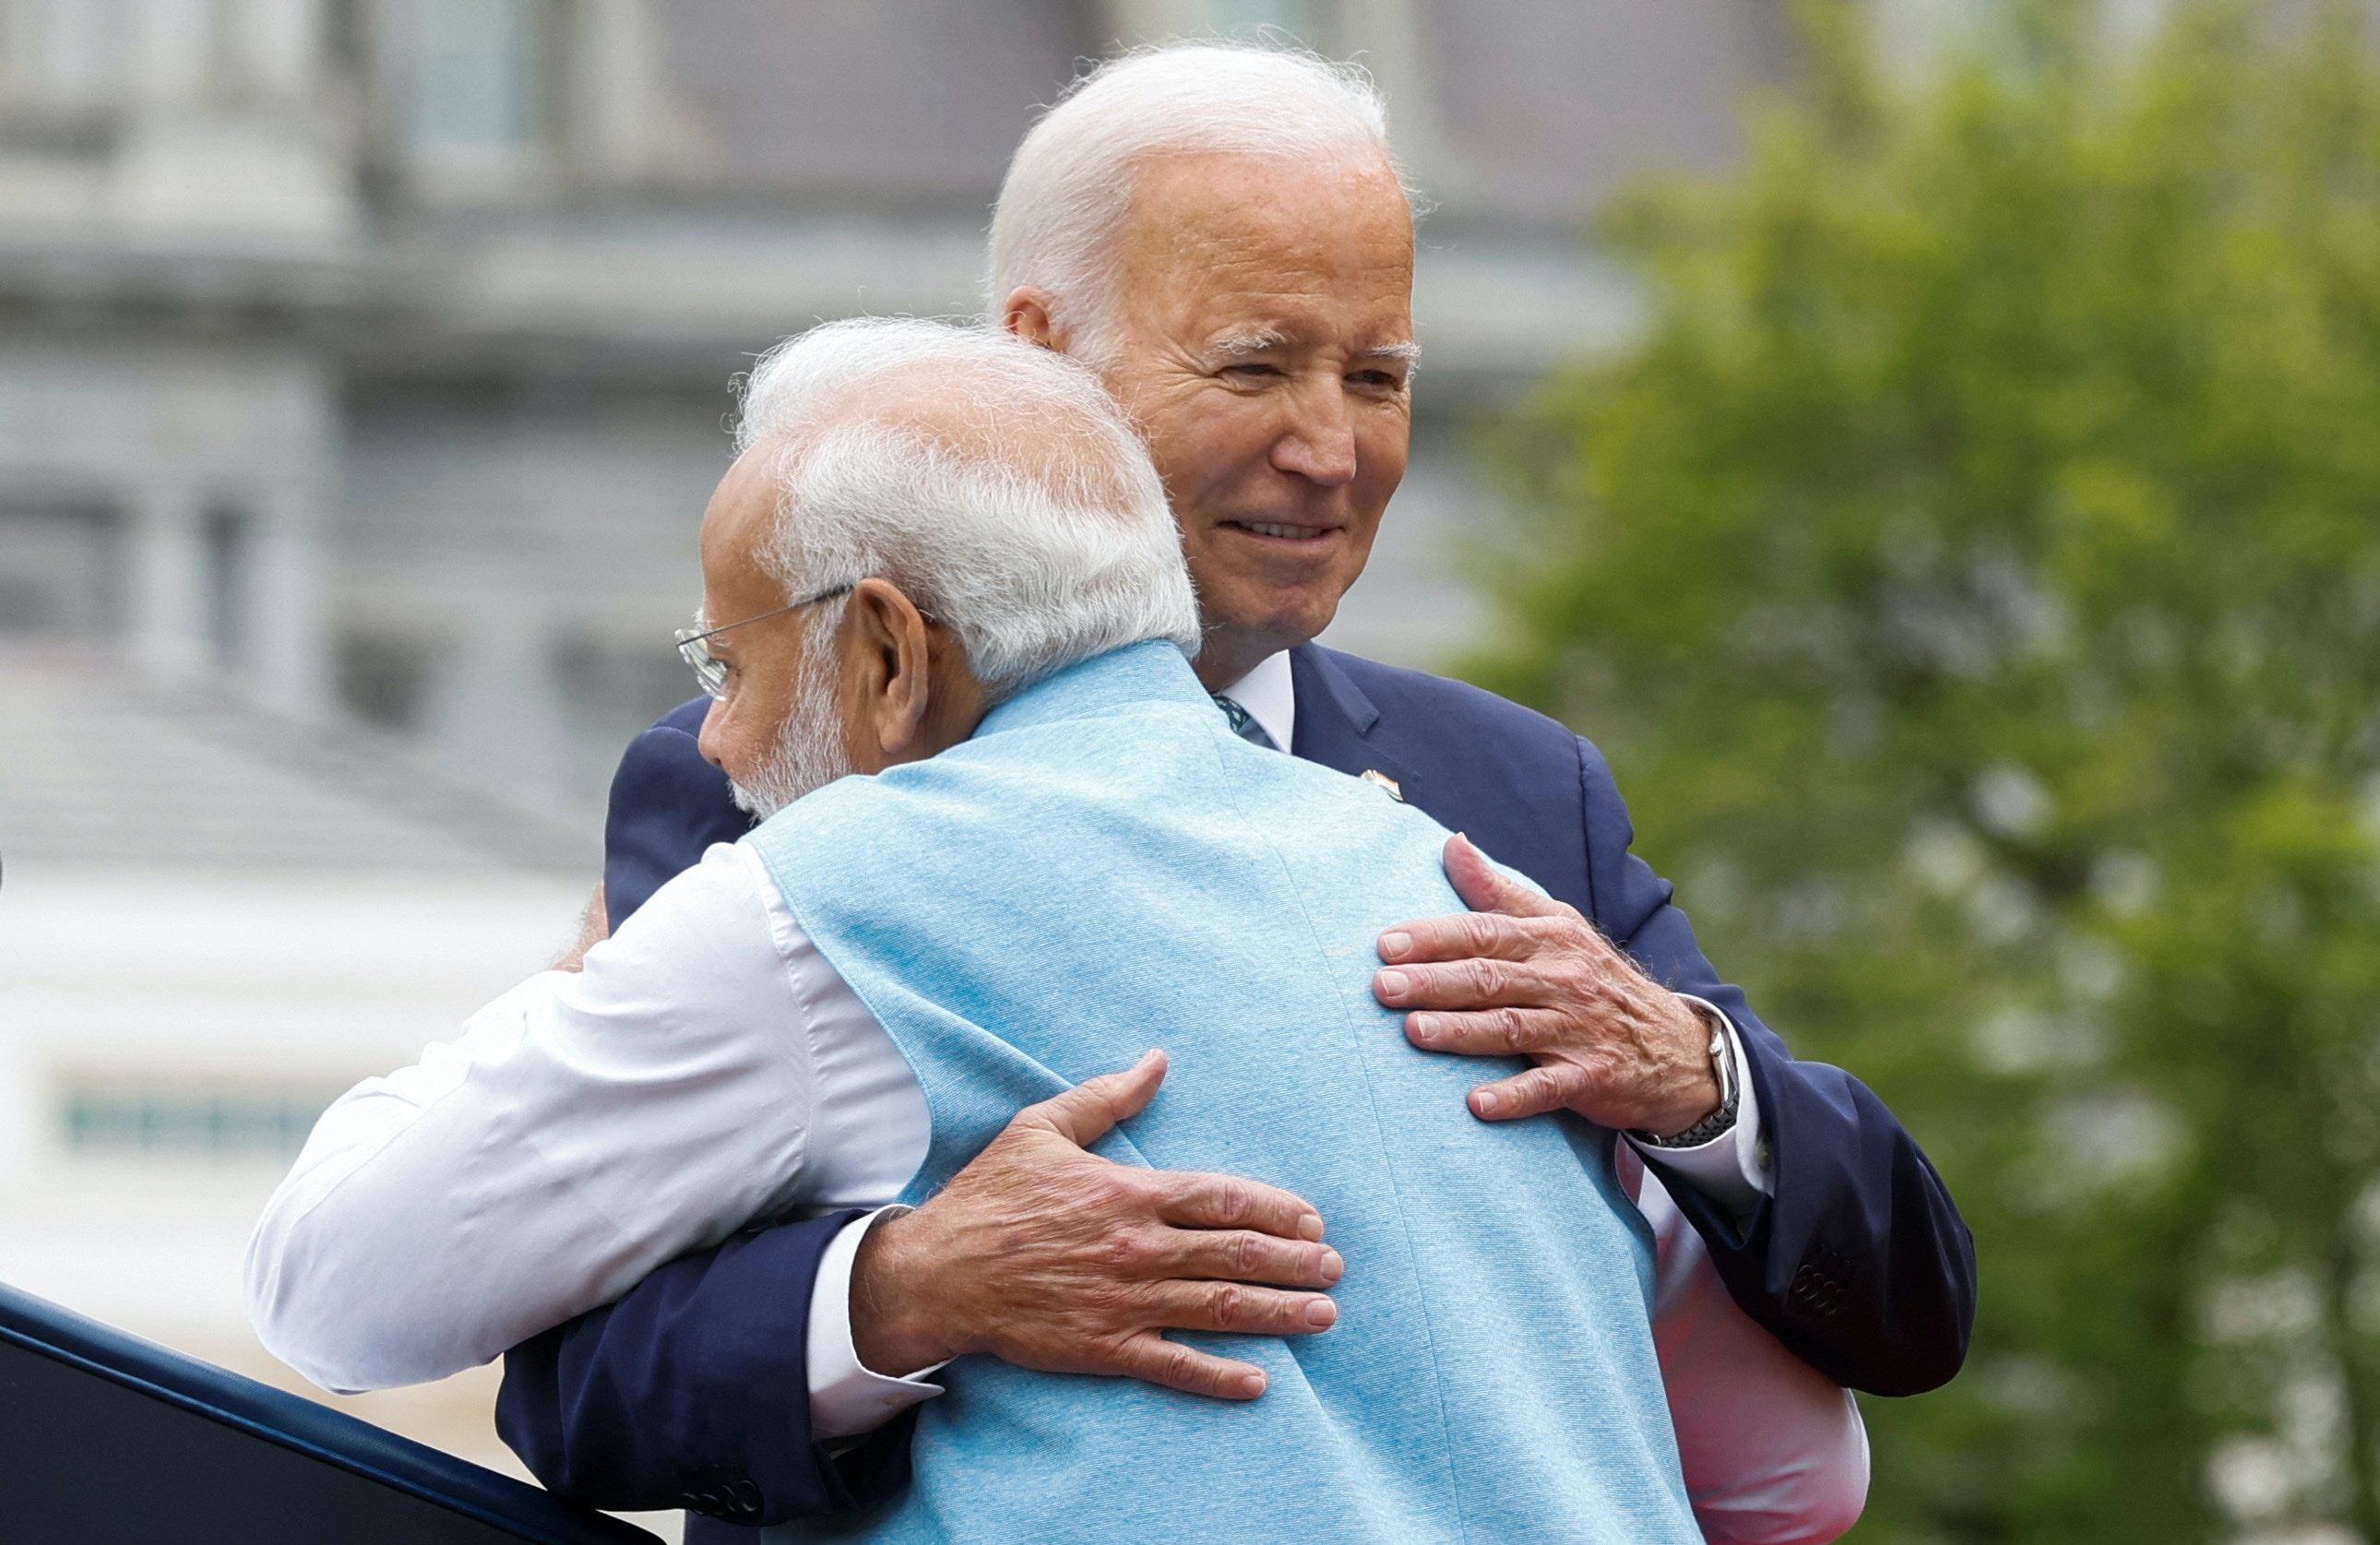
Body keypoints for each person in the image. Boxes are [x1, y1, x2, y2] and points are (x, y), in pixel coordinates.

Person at [497, 43, 1970, 1535]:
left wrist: (1696, 1082)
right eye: (1256, 364)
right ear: (1040, 358)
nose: (1329, 451)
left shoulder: (1514, 794)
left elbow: (1911, 1315)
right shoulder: (770, 766)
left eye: (1378, 377)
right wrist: (909, 1288)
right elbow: (581, 1389)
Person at [248, 318, 1865, 1545]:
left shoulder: (832, 898)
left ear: (887, 653)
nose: (721, 747)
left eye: (728, 666)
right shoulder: (1457, 892)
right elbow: (1804, 1473)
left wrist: (577, 987)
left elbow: (333, 1288)